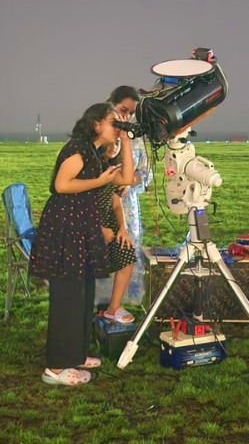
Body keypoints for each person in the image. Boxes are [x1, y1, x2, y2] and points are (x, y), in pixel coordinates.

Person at [30, 103, 133, 385]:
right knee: (67, 298)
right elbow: (61, 185)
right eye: (114, 122)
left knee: (83, 294)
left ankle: (74, 353)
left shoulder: (96, 154)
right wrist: (98, 181)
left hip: (80, 231)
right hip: (65, 231)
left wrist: (125, 140)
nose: (118, 126)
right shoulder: (78, 149)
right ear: (96, 123)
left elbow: (125, 178)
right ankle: (55, 367)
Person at [107, 86, 153, 306]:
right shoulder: (100, 129)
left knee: (128, 247)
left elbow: (146, 173)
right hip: (98, 202)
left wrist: (130, 180)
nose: (126, 117)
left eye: (131, 113)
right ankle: (100, 301)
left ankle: (124, 302)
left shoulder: (136, 138)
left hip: (126, 203)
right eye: (122, 110)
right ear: (111, 104)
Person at [97, 140, 136, 323]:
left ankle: (113, 307)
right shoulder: (91, 167)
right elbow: (78, 203)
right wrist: (98, 229)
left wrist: (122, 228)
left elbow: (116, 203)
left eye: (119, 143)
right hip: (85, 225)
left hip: (109, 225)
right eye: (112, 143)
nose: (115, 147)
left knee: (126, 249)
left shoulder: (110, 168)